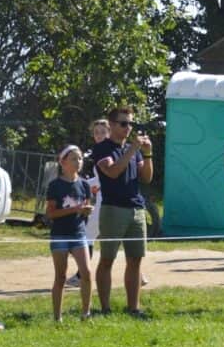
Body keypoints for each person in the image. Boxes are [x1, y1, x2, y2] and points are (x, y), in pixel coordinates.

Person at [92, 106, 154, 317]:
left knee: (135, 260)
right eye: (123, 123)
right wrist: (132, 149)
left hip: (136, 209)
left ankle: (133, 307)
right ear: (111, 125)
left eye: (130, 124)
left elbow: (147, 177)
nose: (128, 128)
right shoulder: (102, 149)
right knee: (107, 259)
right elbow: (112, 172)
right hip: (113, 209)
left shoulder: (132, 149)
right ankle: (105, 308)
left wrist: (147, 154)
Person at [45, 146, 93, 321]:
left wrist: (85, 211)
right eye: (73, 158)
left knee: (86, 273)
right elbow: (50, 214)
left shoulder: (85, 185)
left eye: (80, 158)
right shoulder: (55, 185)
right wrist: (75, 209)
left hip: (79, 234)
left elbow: (85, 208)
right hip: (60, 235)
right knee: (61, 276)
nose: (78, 162)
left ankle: (86, 314)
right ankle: (57, 317)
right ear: (63, 162)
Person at [67, 119, 110, 290]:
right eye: (96, 132)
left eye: (102, 132)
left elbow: (102, 180)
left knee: (86, 237)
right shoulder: (99, 152)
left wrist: (83, 183)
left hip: (105, 202)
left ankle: (80, 276)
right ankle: (139, 275)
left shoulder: (108, 152)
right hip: (103, 200)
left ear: (109, 132)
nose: (98, 135)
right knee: (119, 238)